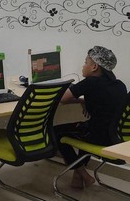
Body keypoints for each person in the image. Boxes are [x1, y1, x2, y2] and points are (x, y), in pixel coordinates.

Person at [54, 46, 127, 188]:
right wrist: (83, 101)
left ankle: (83, 174)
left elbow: (63, 98)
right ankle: (77, 178)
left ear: (94, 67)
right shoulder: (120, 85)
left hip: (99, 136)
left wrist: (80, 100)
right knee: (85, 127)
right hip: (116, 138)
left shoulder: (91, 82)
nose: (83, 66)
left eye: (85, 62)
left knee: (57, 132)